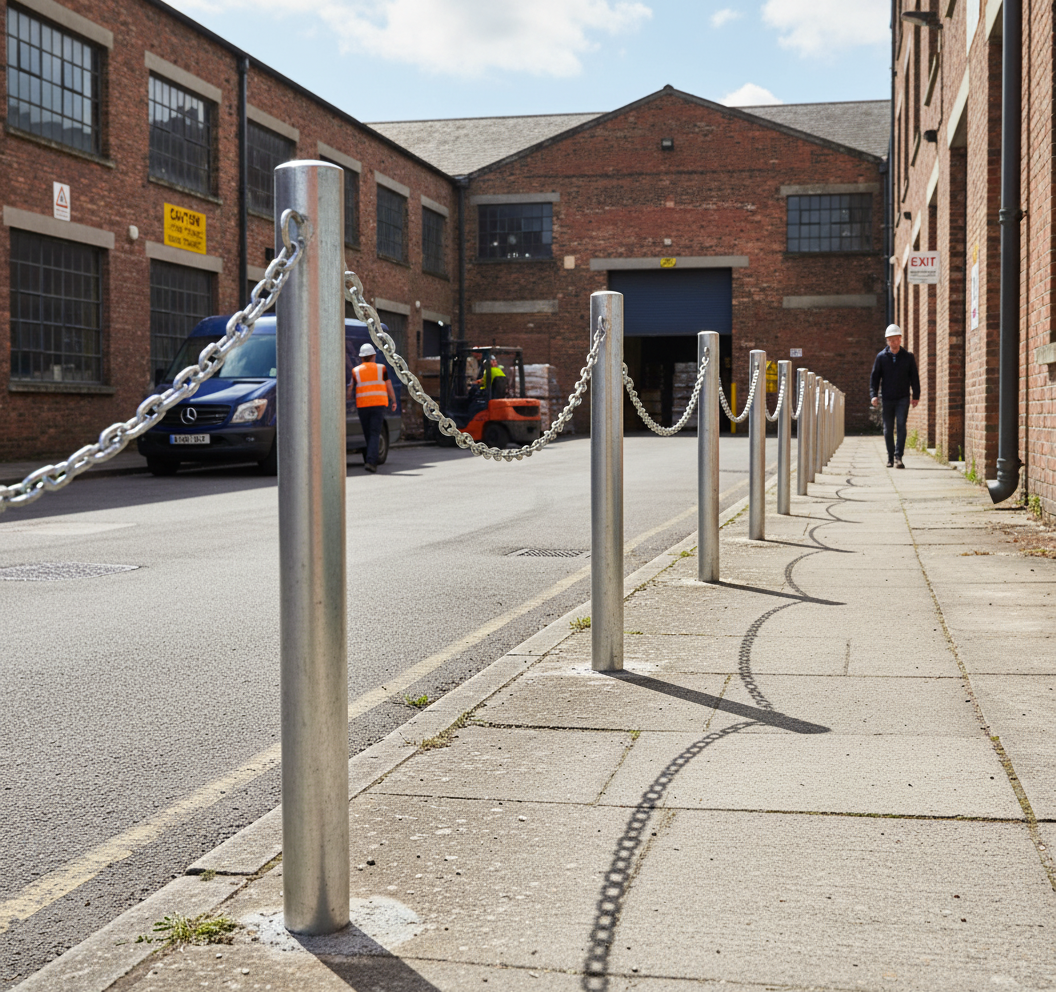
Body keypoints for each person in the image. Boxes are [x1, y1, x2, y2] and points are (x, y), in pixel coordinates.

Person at [869, 324, 920, 469]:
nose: (893, 342)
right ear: (887, 341)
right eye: (890, 340)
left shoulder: (908, 357)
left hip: (903, 397)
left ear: (900, 339)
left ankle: (899, 457)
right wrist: (874, 395)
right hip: (887, 398)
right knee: (888, 428)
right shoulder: (881, 357)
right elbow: (874, 378)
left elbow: (914, 377)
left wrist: (915, 395)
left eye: (896, 339)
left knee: (901, 425)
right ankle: (890, 457)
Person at [349, 342, 396, 473]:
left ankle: (370, 459)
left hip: (363, 406)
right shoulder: (382, 369)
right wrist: (393, 399)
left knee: (368, 433)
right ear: (374, 356)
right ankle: (371, 462)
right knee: (375, 433)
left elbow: (350, 389)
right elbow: (388, 385)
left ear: (361, 357)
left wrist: (348, 398)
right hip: (378, 405)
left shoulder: (356, 371)